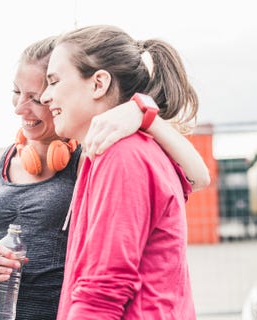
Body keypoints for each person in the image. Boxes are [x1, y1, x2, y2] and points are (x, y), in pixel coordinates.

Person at [0, 34, 207, 320]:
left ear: (97, 85)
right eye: (16, 92)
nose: (23, 106)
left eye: (43, 89)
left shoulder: (95, 153)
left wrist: (141, 112)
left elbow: (197, 178)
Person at [40, 25, 198, 319]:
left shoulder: (122, 156)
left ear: (98, 84)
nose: (45, 96)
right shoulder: (126, 150)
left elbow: (103, 291)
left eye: (54, 81)